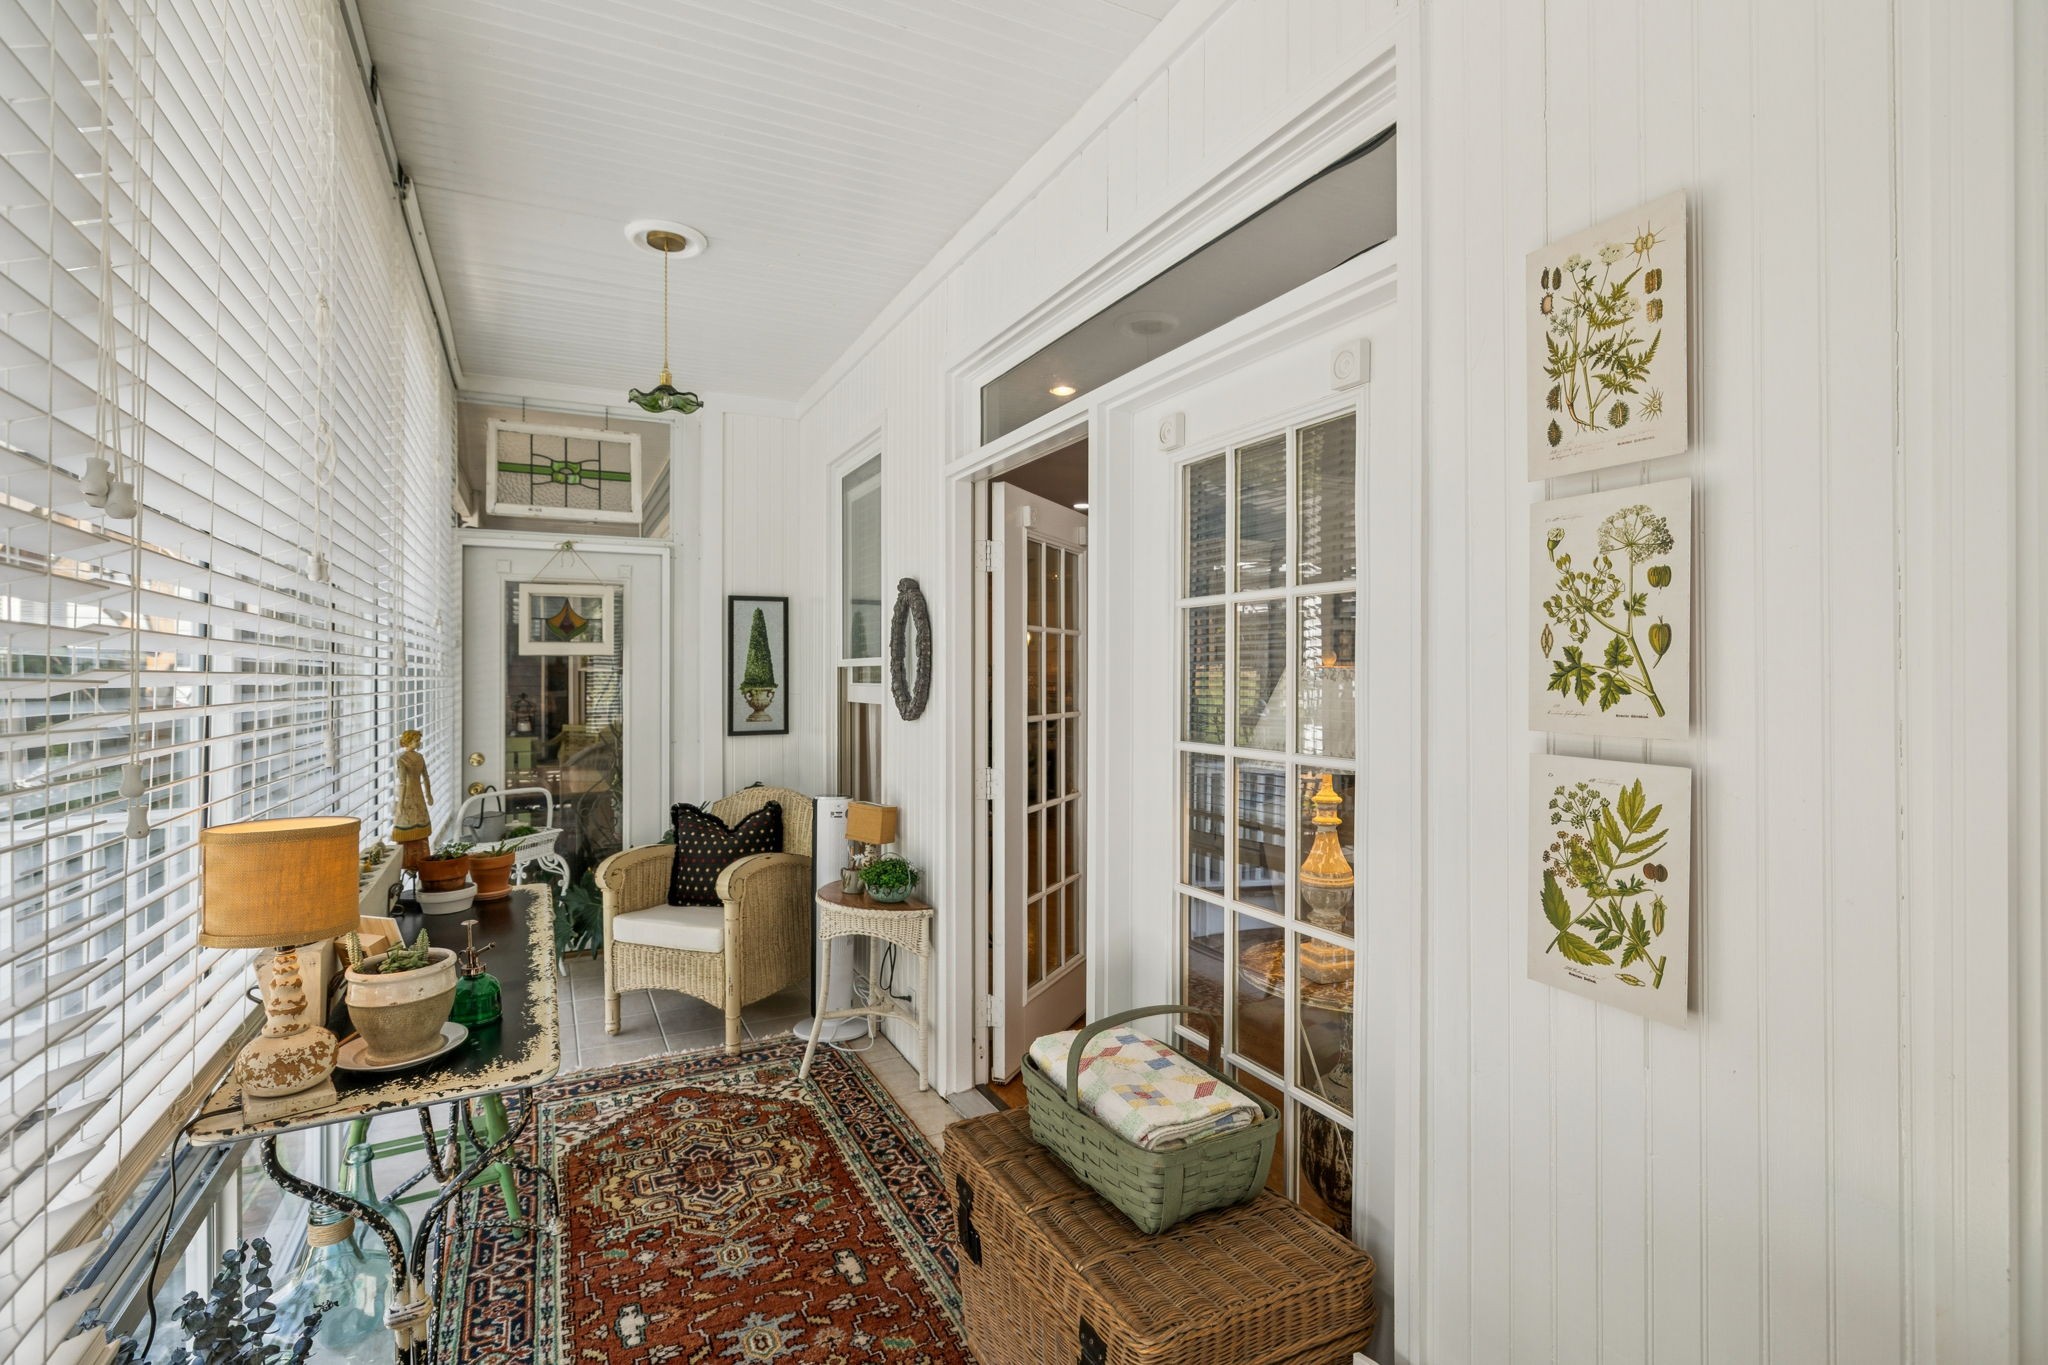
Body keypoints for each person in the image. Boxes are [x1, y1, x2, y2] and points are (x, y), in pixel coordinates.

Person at [393, 729, 433, 871]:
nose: (418, 743)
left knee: (417, 825)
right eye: (416, 740)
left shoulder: (418, 757)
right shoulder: (402, 759)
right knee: (409, 826)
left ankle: (418, 859)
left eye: (418, 740)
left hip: (416, 795)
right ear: (408, 741)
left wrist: (429, 794)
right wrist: (400, 804)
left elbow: (426, 777)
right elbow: (402, 783)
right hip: (411, 796)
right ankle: (410, 861)